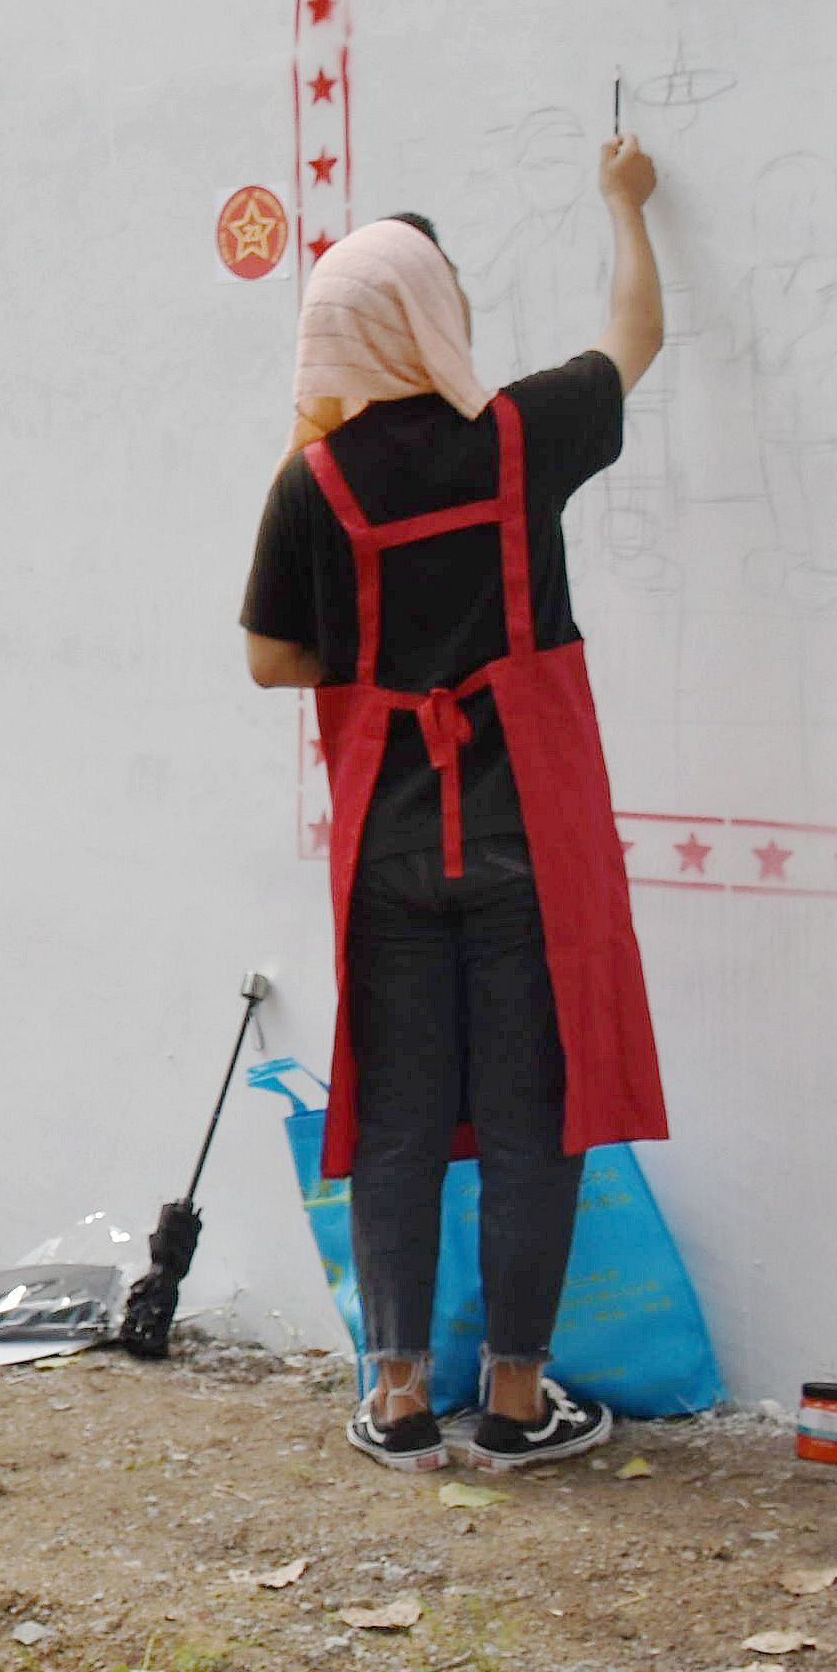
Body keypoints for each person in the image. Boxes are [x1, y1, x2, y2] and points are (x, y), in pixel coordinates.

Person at [242, 140, 671, 1477]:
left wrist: (373, 664)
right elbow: (635, 333)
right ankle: (515, 1396)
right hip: (519, 838)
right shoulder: (519, 434)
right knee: (531, 1108)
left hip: (385, 842)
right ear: (431, 314)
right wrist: (621, 203)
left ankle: (393, 1397)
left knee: (402, 1117)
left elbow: (268, 658)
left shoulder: (308, 483)